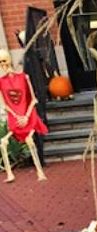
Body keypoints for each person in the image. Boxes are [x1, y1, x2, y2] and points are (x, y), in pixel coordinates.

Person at [0, 48, 47, 182]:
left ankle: (40, 172)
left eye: (4, 61)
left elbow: (33, 99)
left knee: (29, 140)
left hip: (28, 116)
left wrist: (25, 116)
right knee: (3, 142)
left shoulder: (23, 77)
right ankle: (10, 174)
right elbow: (5, 104)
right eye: (0, 63)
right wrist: (16, 116)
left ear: (9, 60)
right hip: (15, 119)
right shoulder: (1, 81)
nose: (3, 65)